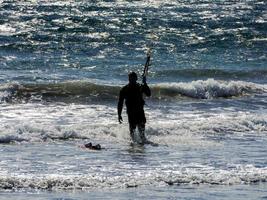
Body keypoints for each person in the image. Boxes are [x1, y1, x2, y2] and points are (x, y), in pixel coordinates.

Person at [117, 72, 151, 144]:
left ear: (136, 78)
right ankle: (132, 148)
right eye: (130, 78)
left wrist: (145, 84)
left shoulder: (140, 87)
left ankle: (141, 149)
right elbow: (120, 103)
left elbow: (148, 94)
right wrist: (119, 114)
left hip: (140, 112)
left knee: (142, 134)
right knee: (132, 132)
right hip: (131, 112)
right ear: (128, 79)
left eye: (133, 78)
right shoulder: (124, 89)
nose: (132, 80)